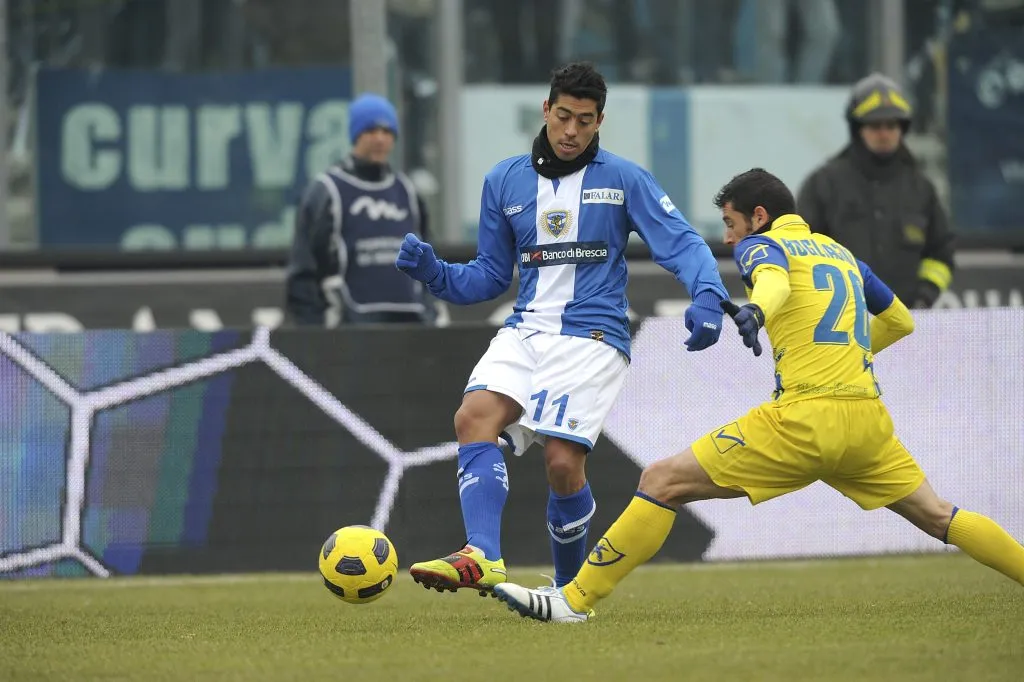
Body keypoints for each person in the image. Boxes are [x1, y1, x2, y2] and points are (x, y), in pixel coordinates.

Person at [493, 168, 1024, 622]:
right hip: (866, 420)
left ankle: (574, 599)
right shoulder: (840, 254)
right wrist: (845, 357)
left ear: (759, 215)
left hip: (805, 416)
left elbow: (774, 282)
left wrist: (757, 311)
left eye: (730, 223)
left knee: (662, 480)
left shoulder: (762, 245)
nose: (728, 238)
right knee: (940, 516)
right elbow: (901, 320)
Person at [394, 62, 729, 596]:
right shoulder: (504, 180)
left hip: (593, 335)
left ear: (600, 123)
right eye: (565, 116)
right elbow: (489, 276)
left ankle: (571, 589)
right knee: (473, 416)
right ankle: (482, 554)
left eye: (586, 121)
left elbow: (683, 242)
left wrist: (708, 296)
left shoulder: (622, 179)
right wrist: (436, 274)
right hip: (527, 329)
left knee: (561, 461)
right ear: (546, 110)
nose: (572, 131)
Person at [797, 73, 955, 309]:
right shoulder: (823, 185)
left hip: (907, 324)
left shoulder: (921, 189)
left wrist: (924, 296)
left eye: (891, 125)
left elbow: (940, 255)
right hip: (841, 324)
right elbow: (799, 255)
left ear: (902, 129)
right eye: (875, 125)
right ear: (858, 129)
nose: (884, 133)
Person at [285, 92, 434, 326]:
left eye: (387, 132)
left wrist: (431, 314)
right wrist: (314, 332)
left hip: (412, 327)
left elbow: (428, 263)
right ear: (355, 136)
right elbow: (304, 271)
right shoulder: (327, 191)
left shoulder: (407, 192)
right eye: (371, 131)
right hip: (349, 332)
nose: (379, 139)